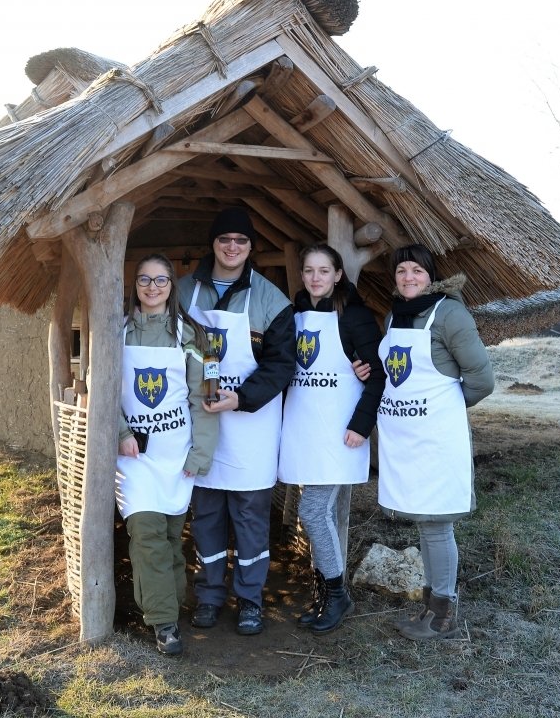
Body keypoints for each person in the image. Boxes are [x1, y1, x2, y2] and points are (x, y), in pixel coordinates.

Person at [177, 206, 296, 636]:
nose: (232, 247)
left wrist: (241, 398)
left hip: (251, 426)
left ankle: (249, 600)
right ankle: (208, 595)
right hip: (201, 425)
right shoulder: (183, 291)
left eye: (241, 241)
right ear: (213, 243)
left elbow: (282, 365)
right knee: (206, 514)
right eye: (225, 239)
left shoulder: (271, 299)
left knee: (250, 518)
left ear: (251, 247)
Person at [377, 243, 494, 640]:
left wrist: (441, 412)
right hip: (408, 440)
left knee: (437, 525)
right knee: (425, 523)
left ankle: (443, 614)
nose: (409, 278)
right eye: (402, 271)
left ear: (432, 276)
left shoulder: (451, 314)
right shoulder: (398, 314)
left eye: (417, 271)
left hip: (437, 441)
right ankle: (431, 606)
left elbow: (481, 380)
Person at [278, 243, 384, 634]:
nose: (316, 278)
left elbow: (378, 376)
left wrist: (361, 424)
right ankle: (324, 594)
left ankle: (337, 595)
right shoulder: (295, 315)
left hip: (340, 431)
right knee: (321, 515)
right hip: (305, 428)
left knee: (312, 512)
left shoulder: (355, 317)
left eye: (324, 271)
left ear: (338, 275)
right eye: (309, 271)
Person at [117, 253, 219, 656]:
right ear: (135, 284)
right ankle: (164, 624)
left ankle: (170, 606)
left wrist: (200, 453)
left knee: (171, 537)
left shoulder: (191, 336)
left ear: (172, 286)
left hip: (176, 454)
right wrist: (121, 432)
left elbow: (204, 399)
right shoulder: (116, 332)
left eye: (161, 280)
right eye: (145, 279)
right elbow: (99, 388)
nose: (153, 287)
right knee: (146, 533)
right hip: (133, 457)